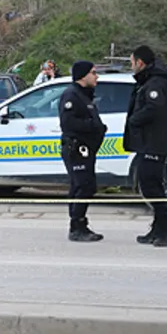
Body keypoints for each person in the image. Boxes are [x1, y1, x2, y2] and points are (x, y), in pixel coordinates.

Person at [126, 46, 167, 247]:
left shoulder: (156, 83)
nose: (131, 67)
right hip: (147, 143)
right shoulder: (150, 80)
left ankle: (166, 229)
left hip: (153, 143)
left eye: (132, 62)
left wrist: (134, 120)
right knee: (150, 185)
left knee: (151, 186)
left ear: (140, 63)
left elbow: (154, 108)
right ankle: (160, 227)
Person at [60, 61, 107, 242]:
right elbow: (68, 123)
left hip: (86, 148)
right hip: (76, 147)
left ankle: (79, 223)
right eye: (93, 73)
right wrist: (94, 126)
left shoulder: (85, 95)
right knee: (83, 186)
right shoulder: (72, 95)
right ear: (82, 75)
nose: (97, 77)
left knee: (83, 186)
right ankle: (77, 226)